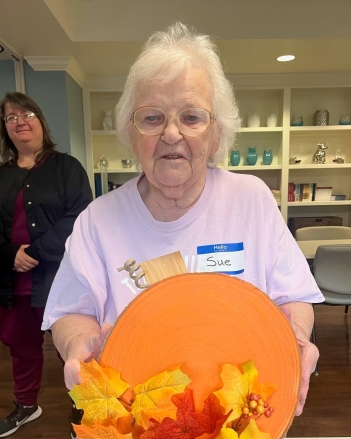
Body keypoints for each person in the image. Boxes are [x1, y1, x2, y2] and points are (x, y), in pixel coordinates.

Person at [43, 23, 324, 418]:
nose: (171, 133)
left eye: (191, 117)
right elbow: (70, 312)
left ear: (216, 135)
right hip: (133, 418)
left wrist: (294, 338)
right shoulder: (98, 220)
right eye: (152, 117)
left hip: (241, 419)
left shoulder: (253, 200)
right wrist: (78, 346)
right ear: (131, 132)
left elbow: (293, 296)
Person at [0, 92, 93, 438]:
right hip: (9, 281)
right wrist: (8, 254)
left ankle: (85, 406)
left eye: (27, 113)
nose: (20, 120)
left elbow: (79, 215)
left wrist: (36, 251)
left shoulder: (67, 168)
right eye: (11, 117)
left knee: (72, 349)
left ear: (41, 121)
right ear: (6, 130)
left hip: (58, 280)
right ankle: (27, 405)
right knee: (21, 348)